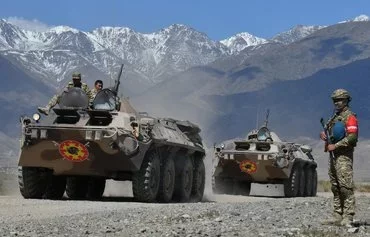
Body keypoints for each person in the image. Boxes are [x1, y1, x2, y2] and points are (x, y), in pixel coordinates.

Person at [320, 89, 358, 227]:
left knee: (345, 186)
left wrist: (336, 146)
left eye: (340, 100)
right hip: (333, 156)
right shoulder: (334, 118)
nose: (337, 103)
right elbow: (333, 135)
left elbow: (352, 138)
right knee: (335, 186)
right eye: (335, 100)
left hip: (344, 156)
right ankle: (337, 214)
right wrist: (325, 136)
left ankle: (348, 216)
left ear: (347, 100)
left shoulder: (350, 117)